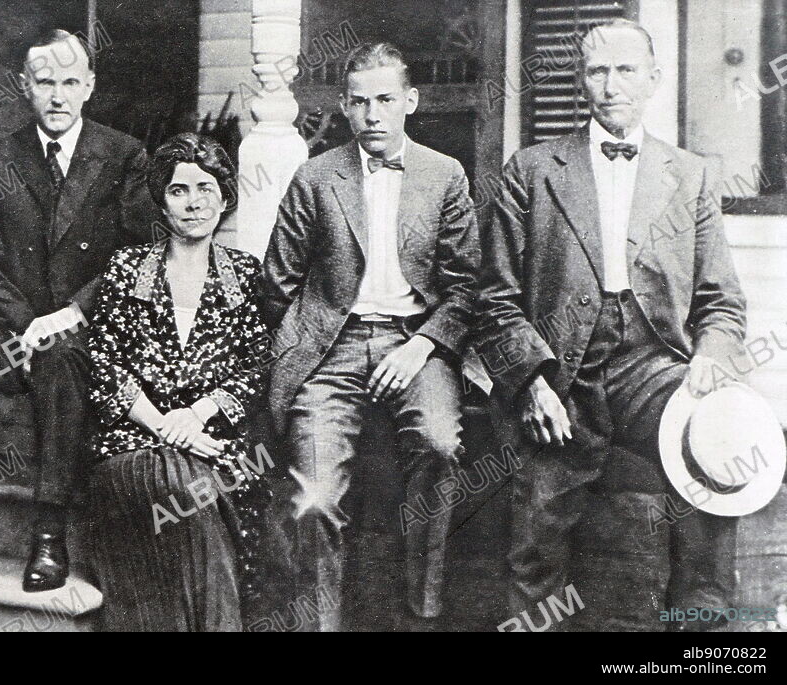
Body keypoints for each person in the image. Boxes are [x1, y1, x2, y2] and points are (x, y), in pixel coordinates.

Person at [476, 19, 746, 632]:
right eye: (597, 70)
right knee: (540, 526)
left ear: (653, 80)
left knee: (717, 436)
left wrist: (710, 354)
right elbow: (493, 297)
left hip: (653, 362)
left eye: (626, 70)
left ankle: (702, 627)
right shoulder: (532, 170)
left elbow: (721, 300)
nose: (610, 84)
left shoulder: (690, 174)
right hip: (560, 365)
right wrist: (530, 382)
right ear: (581, 80)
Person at [0, 29, 156, 591]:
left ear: (90, 86)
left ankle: (49, 535)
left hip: (80, 327)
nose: (58, 95)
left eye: (71, 82)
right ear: (25, 87)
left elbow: (136, 254)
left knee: (62, 366)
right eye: (45, 82)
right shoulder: (1, 158)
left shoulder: (122, 156)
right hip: (12, 325)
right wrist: (25, 324)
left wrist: (70, 313)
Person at [261, 42, 480, 631]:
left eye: (385, 100)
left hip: (416, 341)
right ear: (343, 107)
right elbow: (276, 284)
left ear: (410, 100)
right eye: (359, 103)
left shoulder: (444, 175)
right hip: (330, 347)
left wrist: (424, 344)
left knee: (439, 445)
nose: (373, 115)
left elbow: (465, 286)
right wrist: (289, 358)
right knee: (313, 497)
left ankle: (421, 614)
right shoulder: (316, 177)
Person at [86, 132, 270, 631]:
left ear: (226, 197)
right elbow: (104, 363)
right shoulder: (128, 269)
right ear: (161, 203)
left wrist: (198, 415)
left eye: (206, 188)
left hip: (211, 445)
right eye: (178, 190)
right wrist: (166, 425)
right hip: (132, 448)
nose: (194, 203)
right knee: (190, 490)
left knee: (198, 495)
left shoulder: (247, 276)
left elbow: (257, 366)